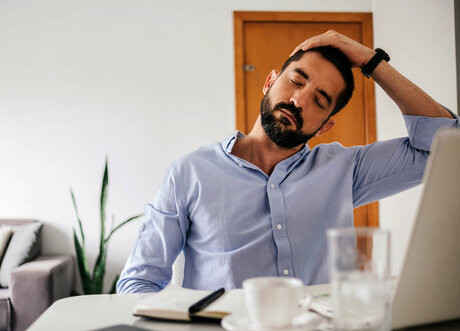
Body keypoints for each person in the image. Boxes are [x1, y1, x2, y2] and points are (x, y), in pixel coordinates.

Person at [117, 31, 458, 294]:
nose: (298, 100)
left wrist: (372, 61)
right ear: (269, 82)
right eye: (296, 81)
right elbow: (138, 283)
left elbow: (445, 144)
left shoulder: (344, 169)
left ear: (325, 125)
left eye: (319, 100)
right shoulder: (189, 173)